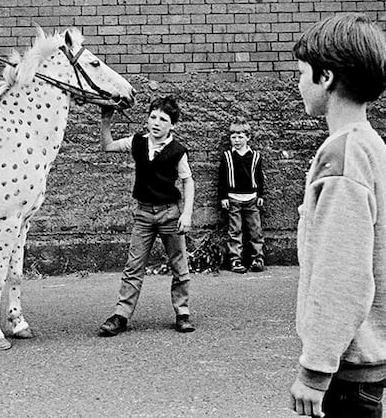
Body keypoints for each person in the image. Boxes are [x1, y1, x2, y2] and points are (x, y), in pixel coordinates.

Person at [288, 13, 386, 418]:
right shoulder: (373, 146)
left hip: (344, 374)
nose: (298, 84)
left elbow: (341, 272)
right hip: (369, 362)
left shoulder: (340, 155)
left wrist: (315, 370)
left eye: (302, 73)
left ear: (326, 77)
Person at [98, 96, 196, 336]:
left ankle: (182, 313)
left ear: (172, 125)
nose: (156, 123)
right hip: (143, 213)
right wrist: (106, 120)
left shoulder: (177, 151)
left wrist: (186, 214)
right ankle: (120, 316)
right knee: (133, 267)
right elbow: (107, 145)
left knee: (179, 265)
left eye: (163, 119)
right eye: (153, 117)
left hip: (170, 214)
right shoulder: (137, 142)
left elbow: (188, 181)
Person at [217, 118, 266, 273]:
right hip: (233, 199)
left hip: (251, 198)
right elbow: (221, 178)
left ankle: (257, 258)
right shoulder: (227, 156)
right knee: (235, 230)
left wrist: (260, 194)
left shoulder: (256, 156)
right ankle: (235, 259)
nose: (236, 140)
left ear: (248, 137)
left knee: (255, 229)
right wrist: (223, 196)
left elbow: (259, 177)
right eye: (233, 137)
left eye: (240, 137)